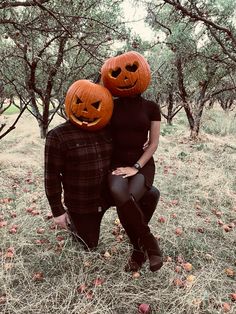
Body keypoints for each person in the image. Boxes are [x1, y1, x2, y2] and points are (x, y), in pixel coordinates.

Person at [44, 79, 160, 257]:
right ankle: (75, 222)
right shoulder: (58, 136)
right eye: (79, 103)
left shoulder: (106, 128)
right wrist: (57, 211)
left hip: (107, 192)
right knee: (89, 244)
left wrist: (141, 145)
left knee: (151, 194)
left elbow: (129, 132)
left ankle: (140, 238)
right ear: (69, 101)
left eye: (95, 105)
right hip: (84, 201)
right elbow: (51, 176)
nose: (86, 110)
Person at [101, 51, 163, 272]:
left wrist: (136, 166)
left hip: (142, 164)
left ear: (143, 72)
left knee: (130, 200)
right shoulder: (110, 106)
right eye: (116, 73)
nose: (125, 77)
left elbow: (153, 143)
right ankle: (148, 245)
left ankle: (138, 254)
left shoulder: (151, 108)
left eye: (131, 70)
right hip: (116, 164)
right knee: (121, 195)